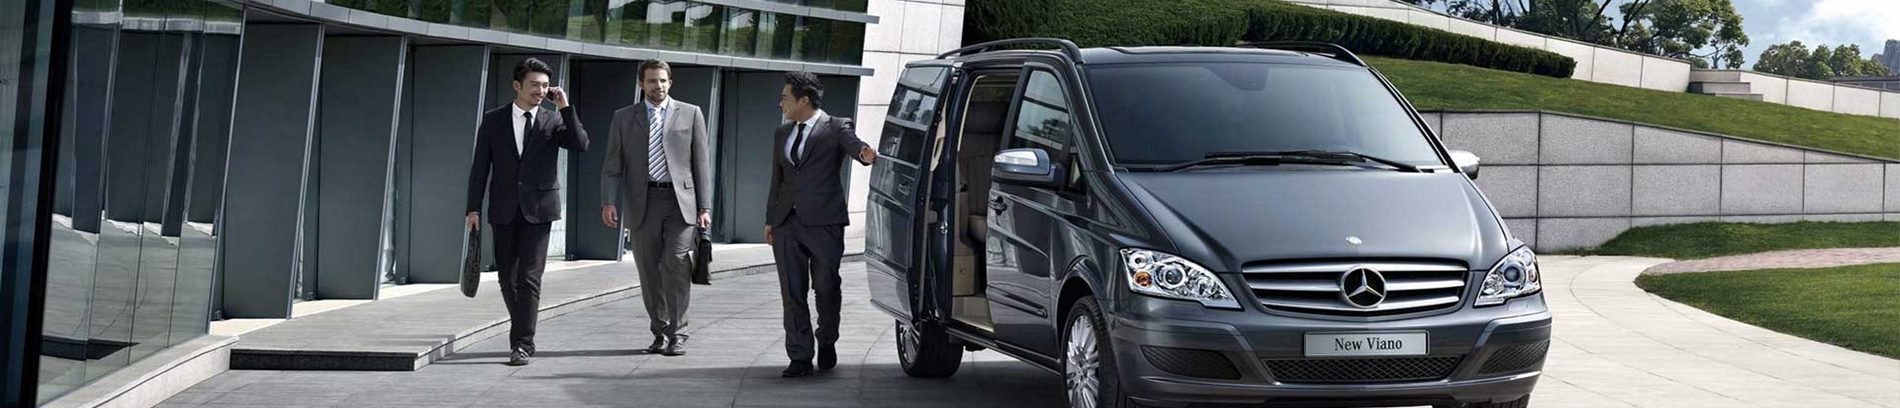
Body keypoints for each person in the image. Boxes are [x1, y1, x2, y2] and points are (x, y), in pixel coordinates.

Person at [466, 57, 588, 366]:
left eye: (545, 85)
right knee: (507, 279)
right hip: (504, 208)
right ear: (517, 85)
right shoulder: (493, 120)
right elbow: (480, 167)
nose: (540, 90)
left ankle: (522, 343)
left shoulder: (553, 119)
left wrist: (565, 107)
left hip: (540, 210)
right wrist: (473, 208)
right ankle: (522, 330)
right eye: (534, 84)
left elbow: (580, 144)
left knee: (530, 277)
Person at [766, 72, 876, 377]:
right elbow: (777, 180)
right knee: (792, 291)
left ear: (803, 100)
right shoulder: (781, 133)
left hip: (824, 222)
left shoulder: (836, 126)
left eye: (785, 97)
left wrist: (865, 155)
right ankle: (800, 356)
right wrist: (770, 219)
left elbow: (855, 146)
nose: (780, 102)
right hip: (786, 222)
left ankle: (827, 338)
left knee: (826, 287)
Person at [601, 60, 711, 357]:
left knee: (676, 263)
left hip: (680, 202)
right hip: (643, 202)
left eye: (663, 80)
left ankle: (679, 333)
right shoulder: (624, 117)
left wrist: (704, 207)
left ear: (670, 82)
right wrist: (609, 201)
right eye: (651, 81)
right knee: (648, 269)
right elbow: (612, 165)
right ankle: (660, 331)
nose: (658, 86)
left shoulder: (691, 113)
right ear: (641, 84)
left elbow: (701, 164)